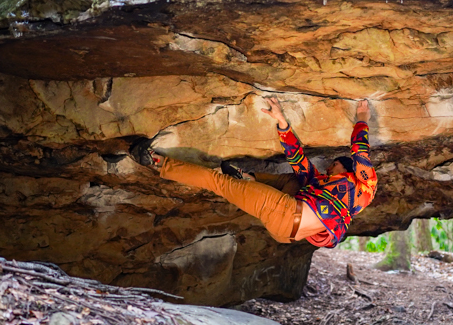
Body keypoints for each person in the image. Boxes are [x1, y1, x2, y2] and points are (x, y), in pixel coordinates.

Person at [130, 98, 377, 246]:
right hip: (289, 232)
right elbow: (297, 158)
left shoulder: (364, 188)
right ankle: (250, 178)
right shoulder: (321, 184)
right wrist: (282, 122)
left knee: (219, 182)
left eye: (333, 164)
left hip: (286, 213)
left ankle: (156, 161)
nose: (328, 167)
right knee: (296, 177)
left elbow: (360, 153)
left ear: (346, 168)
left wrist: (362, 119)